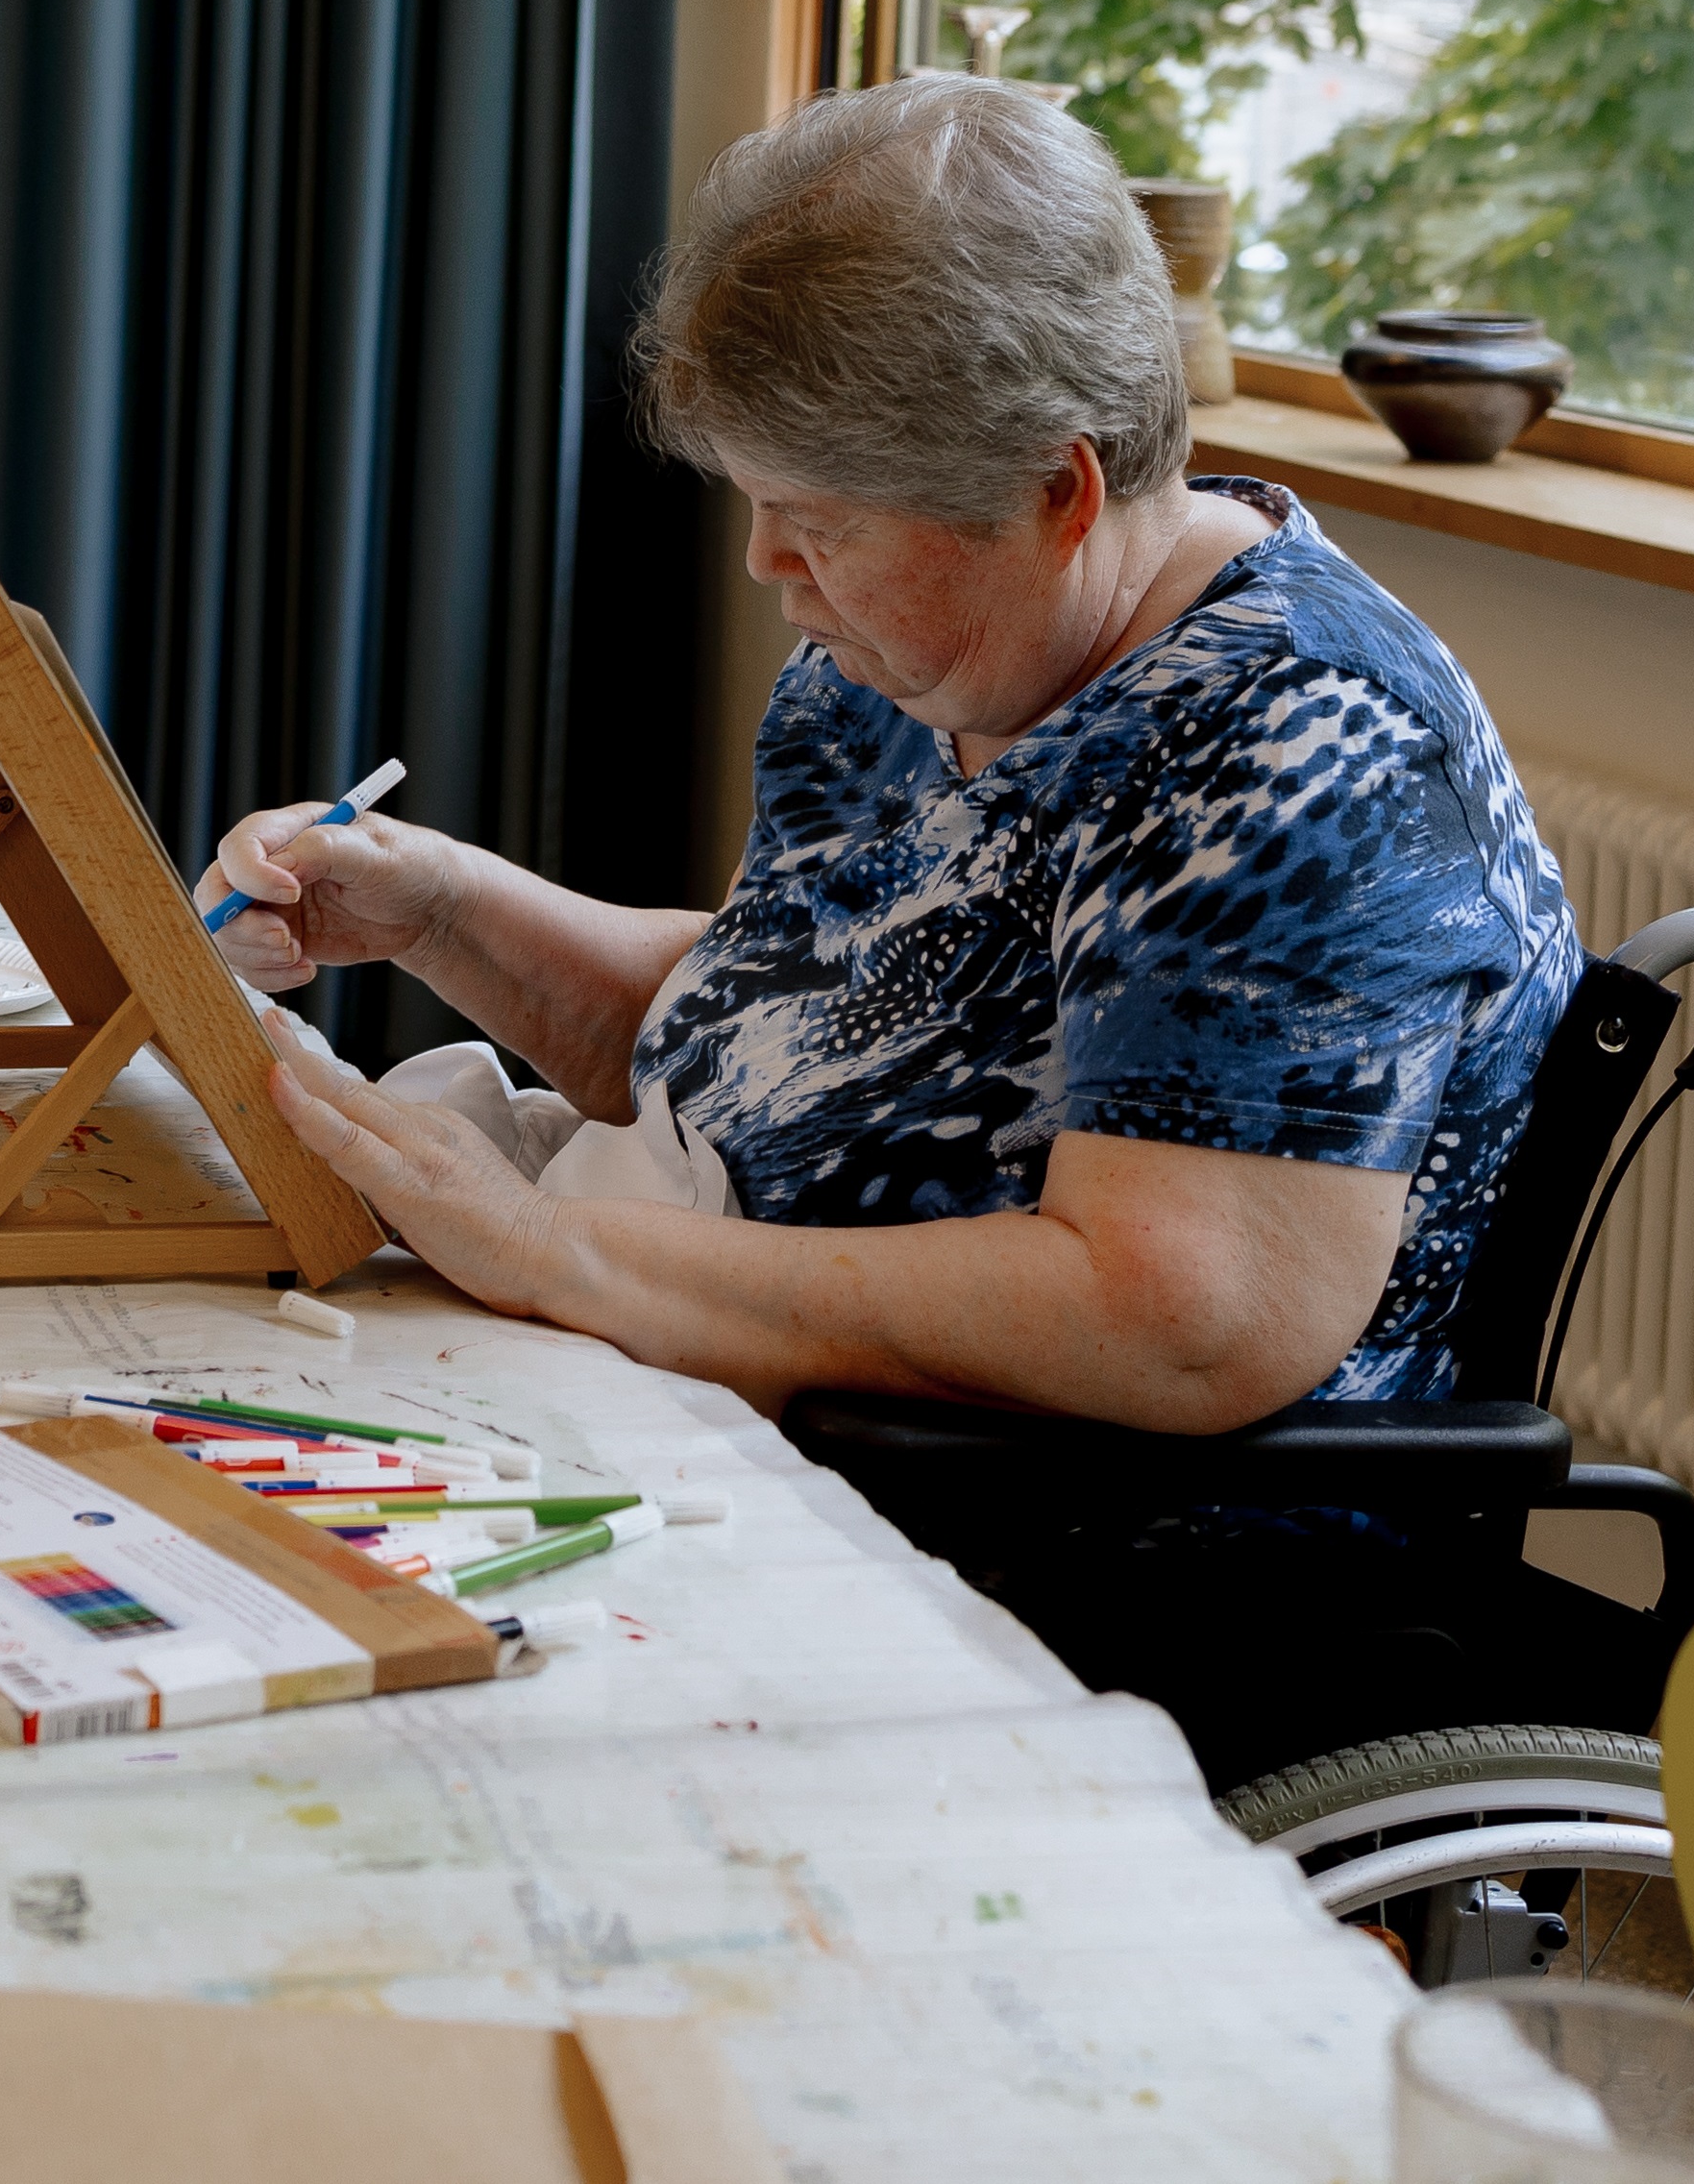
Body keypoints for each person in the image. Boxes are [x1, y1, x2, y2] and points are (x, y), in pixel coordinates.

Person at [201, 74, 1581, 1435]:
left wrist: (554, 1252)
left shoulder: (1298, 747)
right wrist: (443, 910)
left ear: (1056, 491)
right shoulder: (923, 652)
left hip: (1044, 1522)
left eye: (823, 521)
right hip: (750, 1395)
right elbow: (765, 1044)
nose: (767, 563)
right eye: (760, 504)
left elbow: (1174, 1321)